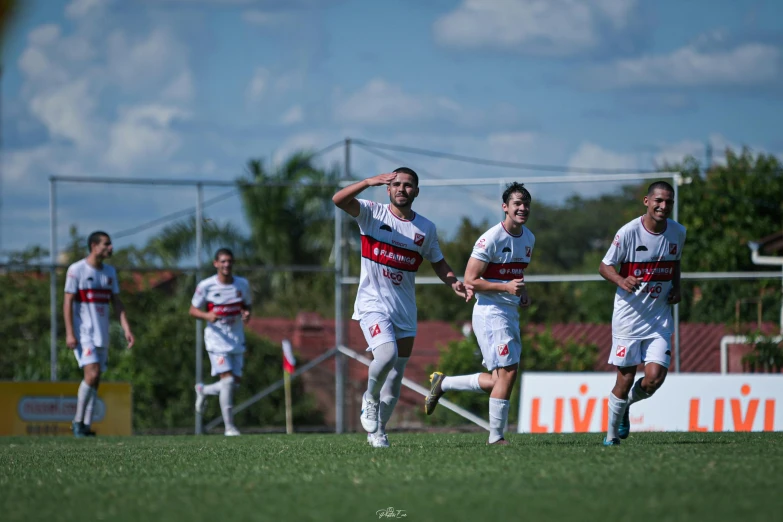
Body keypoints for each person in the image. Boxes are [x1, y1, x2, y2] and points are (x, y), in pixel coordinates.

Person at [332, 167, 472, 448]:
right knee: (386, 355)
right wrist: (368, 181)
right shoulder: (373, 213)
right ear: (388, 189)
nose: (402, 189)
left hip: (405, 310)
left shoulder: (426, 228)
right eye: (396, 184)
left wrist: (453, 282)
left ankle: (378, 432)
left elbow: (437, 261)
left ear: (416, 192)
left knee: (396, 373)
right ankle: (369, 397)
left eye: (408, 185)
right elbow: (338, 199)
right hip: (372, 304)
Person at [425, 182, 534, 445]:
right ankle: (496, 437)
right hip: (490, 313)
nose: (522, 208)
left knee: (498, 379)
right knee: (508, 373)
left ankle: (444, 384)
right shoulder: (491, 238)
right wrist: (505, 288)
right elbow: (471, 280)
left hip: (509, 311)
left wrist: (520, 292)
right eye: (517, 203)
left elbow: (513, 274)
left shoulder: (529, 238)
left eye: (526, 203)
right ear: (505, 207)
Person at [599, 181, 686, 445]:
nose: (663, 206)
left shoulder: (678, 232)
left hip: (659, 317)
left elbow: (676, 263)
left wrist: (678, 288)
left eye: (668, 202)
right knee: (624, 379)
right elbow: (604, 267)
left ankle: (625, 407)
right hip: (628, 319)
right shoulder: (628, 232)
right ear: (647, 201)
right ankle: (611, 437)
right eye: (658, 200)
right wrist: (621, 280)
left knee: (654, 379)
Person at [64, 231, 135, 438]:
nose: (110, 248)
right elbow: (68, 301)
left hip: (101, 333)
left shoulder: (110, 273)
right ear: (94, 246)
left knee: (96, 379)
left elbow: (117, 303)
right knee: (92, 373)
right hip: (83, 332)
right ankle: (77, 422)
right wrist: (69, 332)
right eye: (106, 244)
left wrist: (126, 328)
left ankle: (86, 425)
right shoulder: (76, 270)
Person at [190, 248, 252, 436]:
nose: (226, 265)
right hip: (216, 341)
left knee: (234, 384)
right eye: (223, 261)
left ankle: (204, 390)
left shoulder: (242, 284)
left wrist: (247, 313)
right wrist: (207, 315)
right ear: (215, 264)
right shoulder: (206, 285)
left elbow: (247, 306)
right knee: (228, 381)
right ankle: (229, 427)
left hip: (236, 339)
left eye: (229, 261)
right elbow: (192, 310)